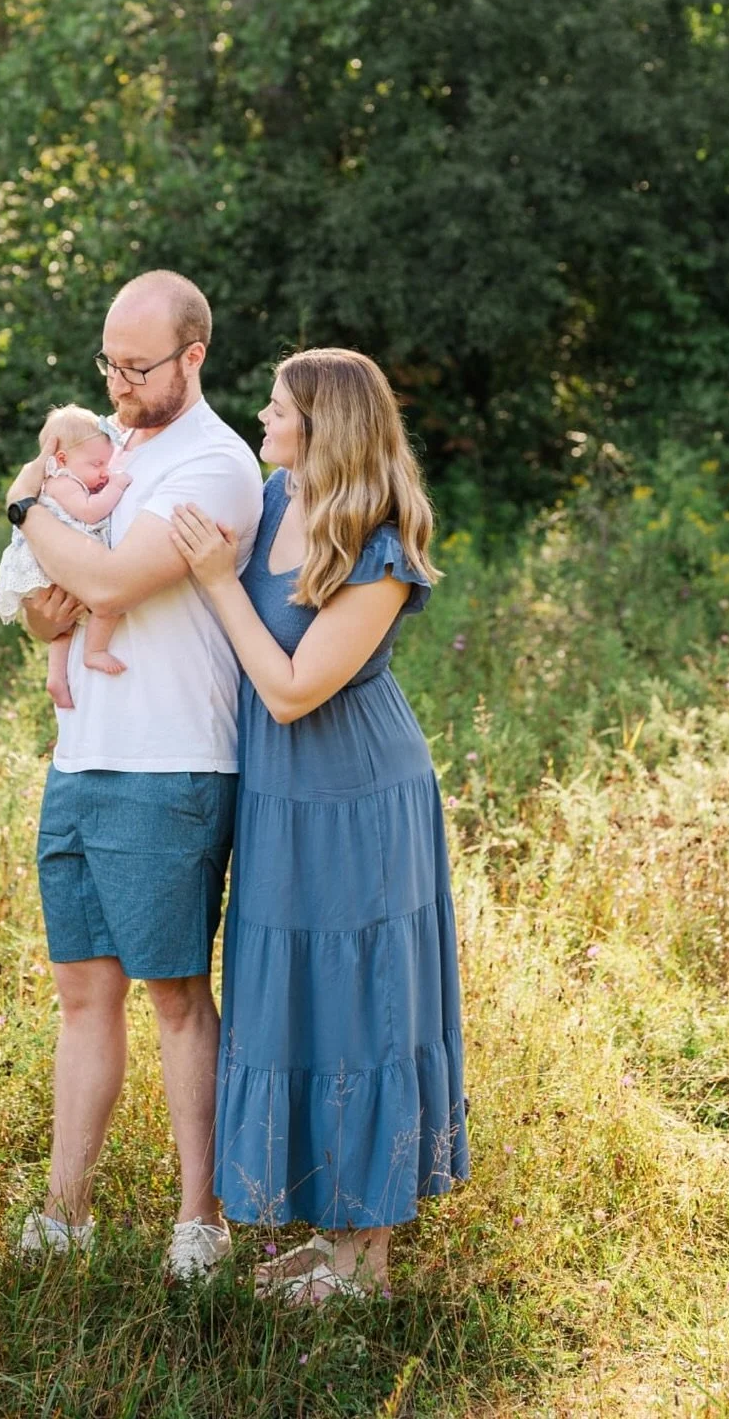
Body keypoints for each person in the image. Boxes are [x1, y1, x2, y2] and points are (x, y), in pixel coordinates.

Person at [168, 347, 469, 1303]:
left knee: (361, 1005)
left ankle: (365, 1264)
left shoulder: (378, 545)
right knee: (290, 995)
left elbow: (295, 690)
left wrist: (219, 582)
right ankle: (332, 1233)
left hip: (354, 798)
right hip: (279, 797)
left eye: (278, 407)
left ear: (323, 424)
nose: (261, 417)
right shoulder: (271, 497)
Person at [4, 270, 265, 1280]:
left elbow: (106, 577)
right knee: (81, 994)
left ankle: (201, 1222)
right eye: (108, 363)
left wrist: (24, 504)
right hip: (83, 758)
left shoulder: (216, 463)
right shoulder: (109, 452)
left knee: (173, 997)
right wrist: (44, 605)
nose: (117, 384)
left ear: (193, 357)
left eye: (138, 366)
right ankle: (67, 1214)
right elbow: (48, 607)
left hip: (171, 765)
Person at [0, 405, 132, 708]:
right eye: (96, 464)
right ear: (62, 459)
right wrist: (116, 485)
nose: (104, 472)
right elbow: (90, 513)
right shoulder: (62, 482)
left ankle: (56, 677)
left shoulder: (67, 478)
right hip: (54, 561)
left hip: (51, 560)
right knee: (106, 604)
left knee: (64, 623)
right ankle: (94, 651)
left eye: (106, 464)